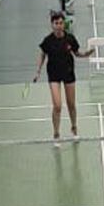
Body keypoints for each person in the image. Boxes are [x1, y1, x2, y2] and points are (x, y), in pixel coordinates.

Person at [33, 11, 94, 143]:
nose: (59, 26)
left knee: (71, 104)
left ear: (63, 24)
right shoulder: (48, 41)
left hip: (68, 72)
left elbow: (77, 54)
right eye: (56, 23)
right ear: (52, 25)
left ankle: (74, 127)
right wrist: (38, 71)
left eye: (61, 23)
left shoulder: (70, 38)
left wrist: (86, 54)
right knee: (57, 106)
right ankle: (56, 133)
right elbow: (42, 55)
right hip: (54, 74)